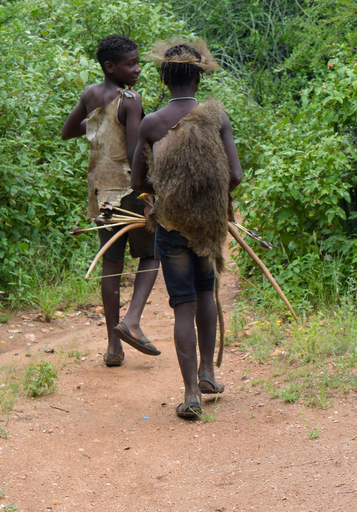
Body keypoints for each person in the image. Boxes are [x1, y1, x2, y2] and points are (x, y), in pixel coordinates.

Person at [130, 40, 243, 419]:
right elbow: (236, 175)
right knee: (206, 293)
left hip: (171, 227)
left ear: (164, 79)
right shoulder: (217, 117)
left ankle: (192, 393)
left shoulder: (151, 123)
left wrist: (162, 194)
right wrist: (210, 202)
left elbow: (137, 183)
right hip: (207, 228)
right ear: (197, 78)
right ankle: (208, 371)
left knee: (183, 306)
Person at [61, 34, 160, 367]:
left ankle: (113, 347)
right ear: (110, 66)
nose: (137, 69)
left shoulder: (91, 94)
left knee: (111, 265)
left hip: (101, 192)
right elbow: (135, 151)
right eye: (130, 64)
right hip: (130, 190)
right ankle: (132, 319)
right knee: (152, 253)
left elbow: (68, 130)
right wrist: (149, 193)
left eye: (137, 62)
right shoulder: (130, 99)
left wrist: (99, 127)